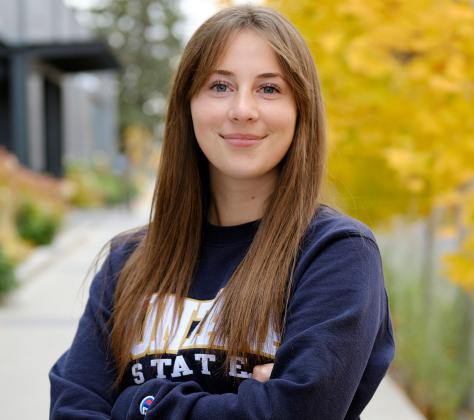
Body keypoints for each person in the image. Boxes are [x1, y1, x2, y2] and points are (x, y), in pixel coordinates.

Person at [49, 5, 394, 419]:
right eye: (219, 86)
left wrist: (139, 404)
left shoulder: (335, 254)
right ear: (187, 104)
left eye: (269, 89)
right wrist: (245, 402)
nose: (243, 109)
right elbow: (73, 409)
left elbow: (298, 413)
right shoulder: (127, 263)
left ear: (300, 109)